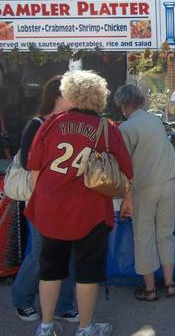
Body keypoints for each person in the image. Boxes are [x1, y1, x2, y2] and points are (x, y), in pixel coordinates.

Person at [25, 71, 134, 336]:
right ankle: (86, 328)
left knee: (49, 269)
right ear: (100, 96)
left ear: (70, 93)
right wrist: (128, 201)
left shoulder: (50, 124)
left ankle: (46, 326)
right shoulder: (108, 129)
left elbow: (35, 171)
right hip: (91, 210)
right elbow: (126, 173)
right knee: (87, 273)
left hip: (51, 209)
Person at [11, 75, 79, 324]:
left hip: (69, 202)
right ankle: (22, 299)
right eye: (72, 93)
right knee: (42, 255)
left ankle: (65, 306)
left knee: (69, 254)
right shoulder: (36, 124)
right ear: (58, 96)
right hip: (43, 202)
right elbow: (30, 164)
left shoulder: (72, 124)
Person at [113, 84, 175, 301]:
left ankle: (150, 289)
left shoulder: (126, 128)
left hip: (144, 187)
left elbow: (123, 164)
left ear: (124, 105)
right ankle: (170, 283)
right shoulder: (155, 120)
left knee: (144, 235)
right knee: (166, 233)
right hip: (170, 181)